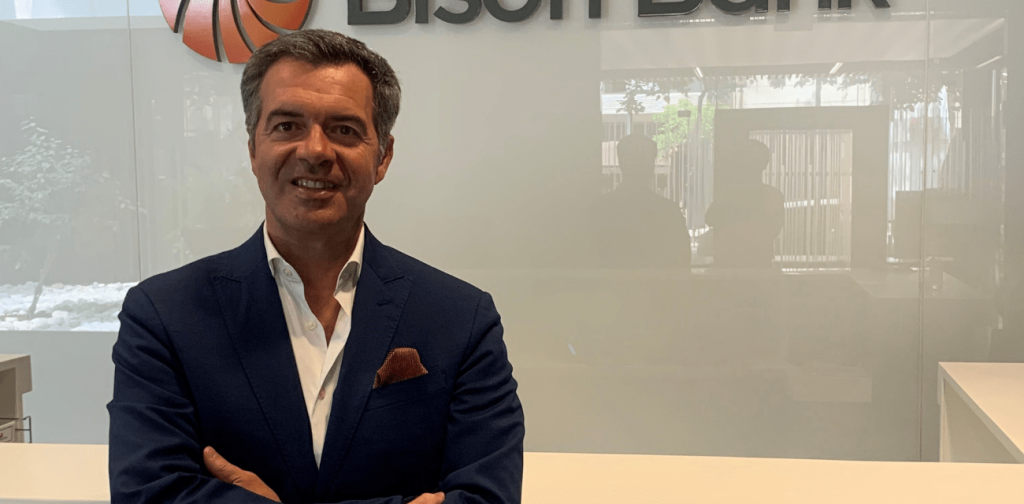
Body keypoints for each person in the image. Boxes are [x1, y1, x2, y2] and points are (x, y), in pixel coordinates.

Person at [108, 30, 524, 504]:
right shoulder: (165, 315)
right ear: (253, 148)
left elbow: (488, 496)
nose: (315, 151)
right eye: (287, 125)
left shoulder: (460, 318)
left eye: (344, 130)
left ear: (383, 156)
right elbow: (149, 493)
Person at [589, 134, 692, 268]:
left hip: (610, 282)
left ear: (621, 164)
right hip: (656, 282)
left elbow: (588, 260)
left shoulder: (598, 210)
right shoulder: (668, 212)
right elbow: (682, 263)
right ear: (651, 167)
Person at [705, 138, 784, 268]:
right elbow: (710, 219)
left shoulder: (729, 194)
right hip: (753, 265)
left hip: (740, 265)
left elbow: (711, 219)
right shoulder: (772, 195)